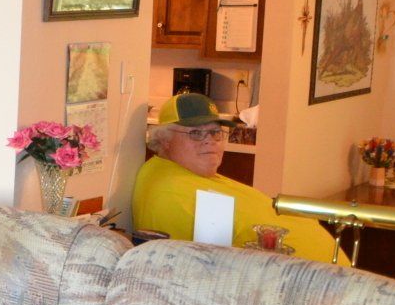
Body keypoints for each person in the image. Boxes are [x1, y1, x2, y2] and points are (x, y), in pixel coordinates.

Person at [132, 93, 347, 264]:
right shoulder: (171, 194)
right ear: (164, 139)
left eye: (216, 132)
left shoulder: (187, 172)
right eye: (195, 133)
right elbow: (205, 271)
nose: (210, 141)